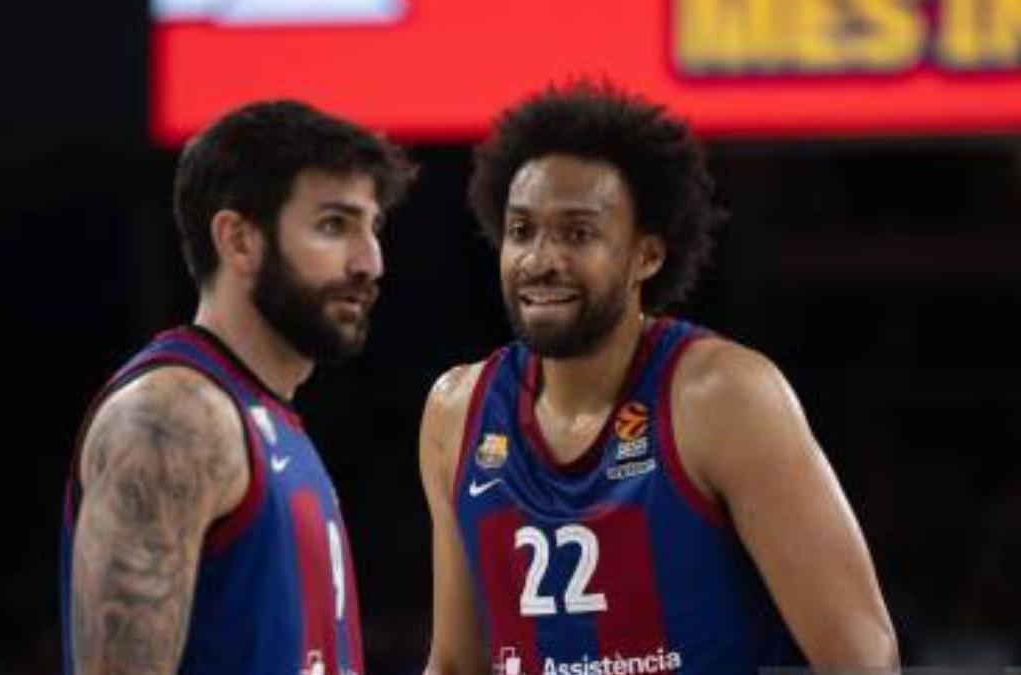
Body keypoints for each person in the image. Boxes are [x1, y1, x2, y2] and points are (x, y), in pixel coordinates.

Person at [419, 82, 898, 674]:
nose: (540, 259)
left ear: (646, 256)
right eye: (521, 231)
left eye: (578, 233)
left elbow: (863, 659)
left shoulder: (723, 397)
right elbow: (456, 665)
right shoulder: (455, 410)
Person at [60, 100, 413, 675]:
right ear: (239, 240)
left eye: (372, 228)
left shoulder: (265, 418)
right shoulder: (175, 417)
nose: (370, 262)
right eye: (334, 225)